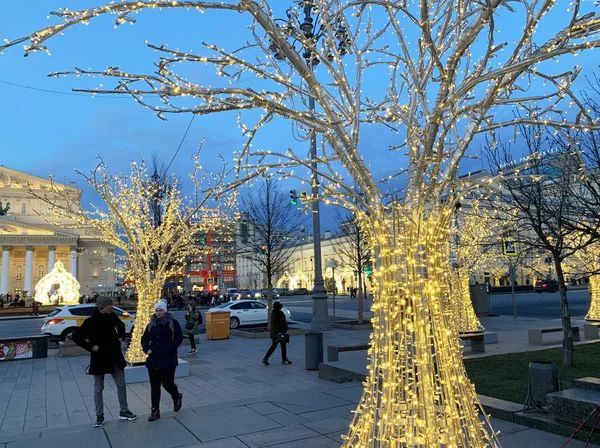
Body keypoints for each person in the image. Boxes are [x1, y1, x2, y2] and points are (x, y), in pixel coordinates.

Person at [72, 296, 137, 428]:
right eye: (109, 305)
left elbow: (120, 325)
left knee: (121, 384)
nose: (111, 307)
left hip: (114, 355)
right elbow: (76, 336)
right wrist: (90, 347)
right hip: (99, 357)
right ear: (103, 306)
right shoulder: (90, 321)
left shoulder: (112, 316)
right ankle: (99, 415)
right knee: (98, 388)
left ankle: (124, 411)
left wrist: (120, 338)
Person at [141, 301, 184, 422]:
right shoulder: (151, 324)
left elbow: (179, 338)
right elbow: (144, 338)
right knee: (155, 386)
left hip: (168, 359)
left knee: (167, 383)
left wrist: (169, 349)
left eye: (160, 311)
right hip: (153, 358)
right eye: (156, 311)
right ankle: (155, 411)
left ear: (165, 311)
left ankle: (176, 396)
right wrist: (146, 349)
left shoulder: (172, 323)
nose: (158, 313)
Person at [262, 301, 291, 366]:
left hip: (275, 333)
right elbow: (282, 323)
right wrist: (284, 329)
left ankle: (266, 358)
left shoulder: (273, 314)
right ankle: (284, 359)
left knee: (274, 346)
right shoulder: (279, 313)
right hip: (280, 332)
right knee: (283, 346)